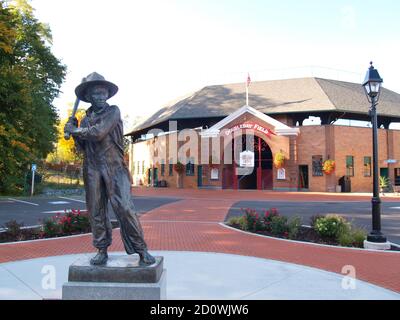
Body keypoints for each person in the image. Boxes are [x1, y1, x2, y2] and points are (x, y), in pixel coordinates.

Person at [64, 72, 156, 266]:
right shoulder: (85, 118)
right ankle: (101, 249)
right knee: (96, 209)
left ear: (107, 94)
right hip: (92, 167)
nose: (100, 96)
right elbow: (82, 147)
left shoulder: (113, 111)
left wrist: (76, 130)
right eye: (95, 94)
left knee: (125, 208)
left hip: (114, 166)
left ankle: (141, 249)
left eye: (103, 93)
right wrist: (73, 132)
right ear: (88, 96)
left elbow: (98, 133)